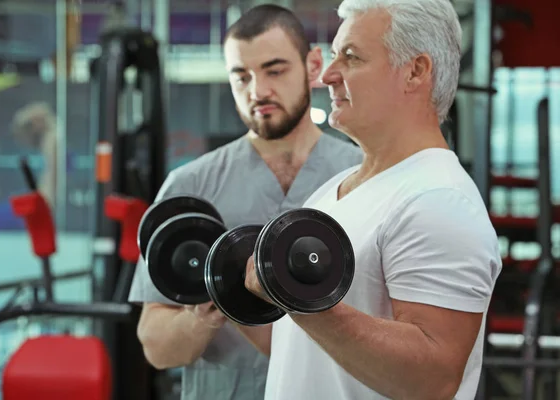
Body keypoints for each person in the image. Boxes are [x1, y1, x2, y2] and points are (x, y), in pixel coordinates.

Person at [241, 1, 503, 399]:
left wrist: (294, 297)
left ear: (415, 71)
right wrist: (235, 294)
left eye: (351, 57)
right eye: (333, 56)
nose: (328, 75)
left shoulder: (439, 200)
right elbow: (310, 349)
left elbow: (432, 380)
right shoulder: (337, 189)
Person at [128, 4, 363, 400]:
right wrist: (213, 306)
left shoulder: (361, 175)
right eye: (241, 77)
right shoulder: (191, 185)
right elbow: (156, 348)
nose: (258, 91)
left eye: (275, 70)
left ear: (313, 65)